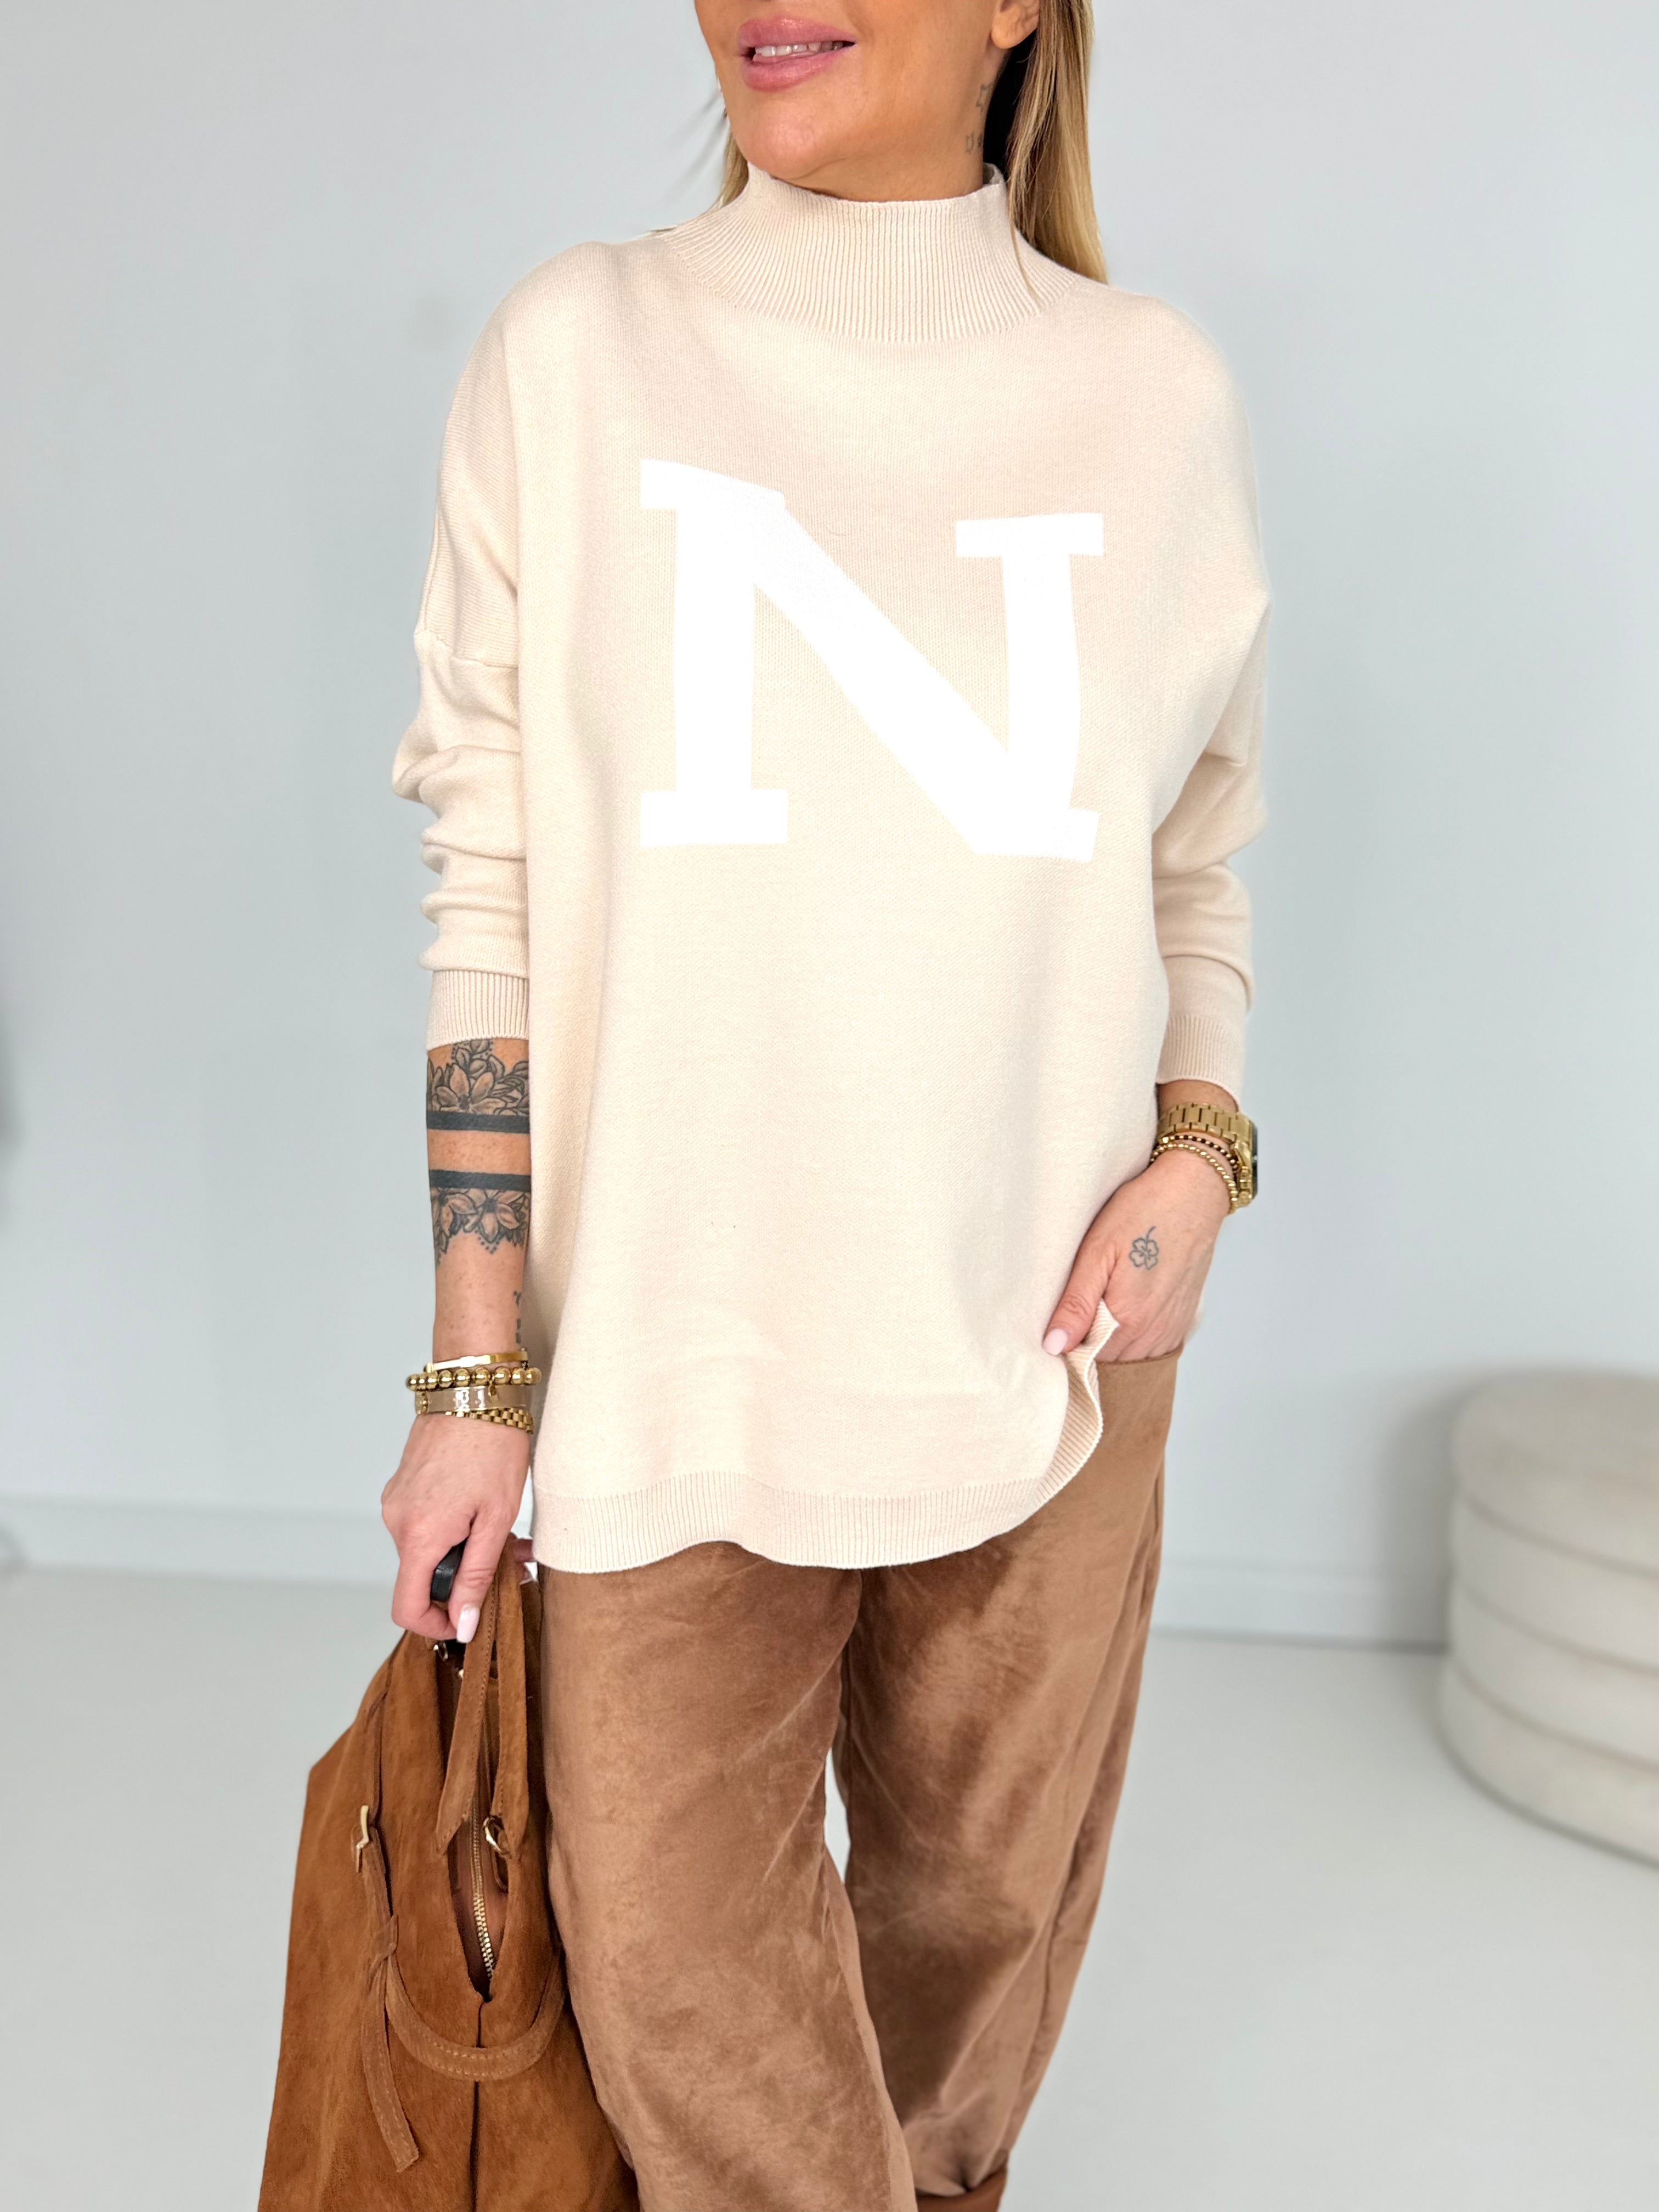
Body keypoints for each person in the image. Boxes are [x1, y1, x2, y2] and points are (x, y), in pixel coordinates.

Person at [381, 3, 1267, 2204]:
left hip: (1053, 1344)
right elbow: (488, 890)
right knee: (683, 1993)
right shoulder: (581, 352)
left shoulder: (1149, 394)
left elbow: (1193, 856)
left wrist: (1204, 1153)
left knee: (967, 1976)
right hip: (673, 1352)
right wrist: (480, 1368)